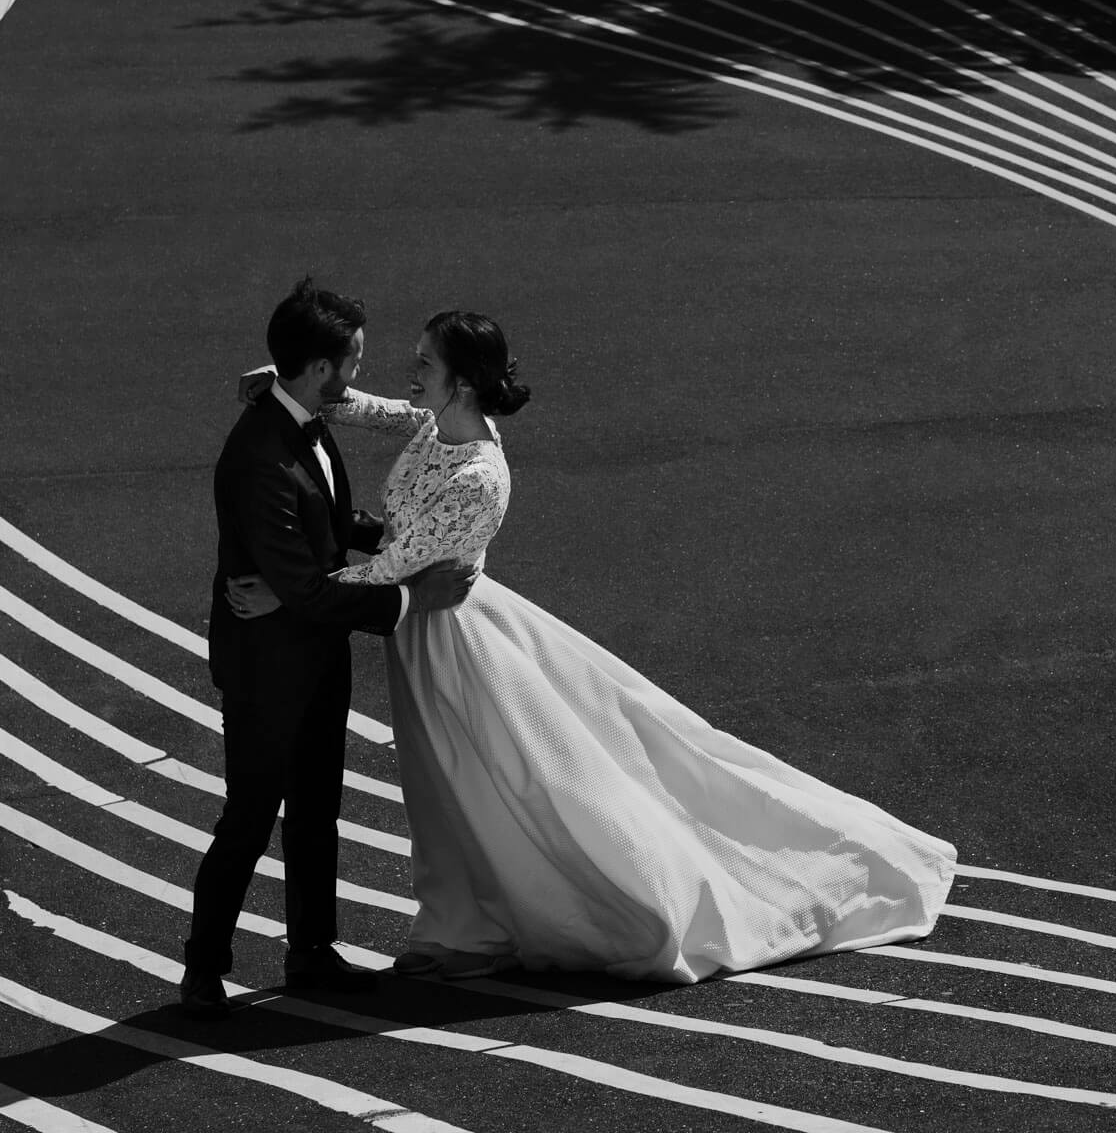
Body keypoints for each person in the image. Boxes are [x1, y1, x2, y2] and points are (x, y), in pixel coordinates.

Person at [229, 310, 955, 984]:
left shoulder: (481, 476)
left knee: (500, 781)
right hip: (421, 633)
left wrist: (288, 592)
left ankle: (524, 922)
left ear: (464, 380)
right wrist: (287, 384)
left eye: (424, 362)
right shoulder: (435, 421)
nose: (408, 370)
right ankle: (458, 925)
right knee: (447, 786)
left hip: (453, 637)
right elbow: (375, 411)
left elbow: (395, 565)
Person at [181, 279, 478, 1019]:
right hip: (268, 672)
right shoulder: (259, 460)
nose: (355, 380)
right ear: (319, 369)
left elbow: (336, 524)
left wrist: (412, 544)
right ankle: (201, 972)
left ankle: (311, 950)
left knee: (316, 809)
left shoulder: (303, 419)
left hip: (316, 657)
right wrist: (415, 594)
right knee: (248, 819)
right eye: (351, 363)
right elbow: (310, 590)